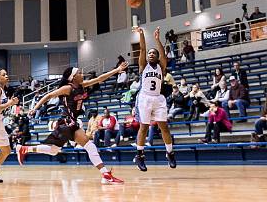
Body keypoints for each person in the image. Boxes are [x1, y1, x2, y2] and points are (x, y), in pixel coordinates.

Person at [16, 62, 128, 184]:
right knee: (89, 146)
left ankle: (24, 149)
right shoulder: (68, 88)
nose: (82, 74)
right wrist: (35, 108)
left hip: (71, 122)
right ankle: (105, 174)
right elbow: (48, 95)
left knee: (54, 150)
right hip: (66, 122)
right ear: (73, 77)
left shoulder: (82, 85)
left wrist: (117, 69)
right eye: (79, 73)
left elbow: (100, 78)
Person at [133, 27, 176, 172]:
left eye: (154, 53)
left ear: (157, 57)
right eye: (150, 53)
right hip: (144, 98)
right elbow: (142, 49)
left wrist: (157, 39)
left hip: (158, 98)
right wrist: (141, 34)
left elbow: (163, 54)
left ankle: (170, 153)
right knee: (144, 127)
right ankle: (140, 156)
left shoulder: (161, 67)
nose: (151, 54)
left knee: (163, 126)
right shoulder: (143, 66)